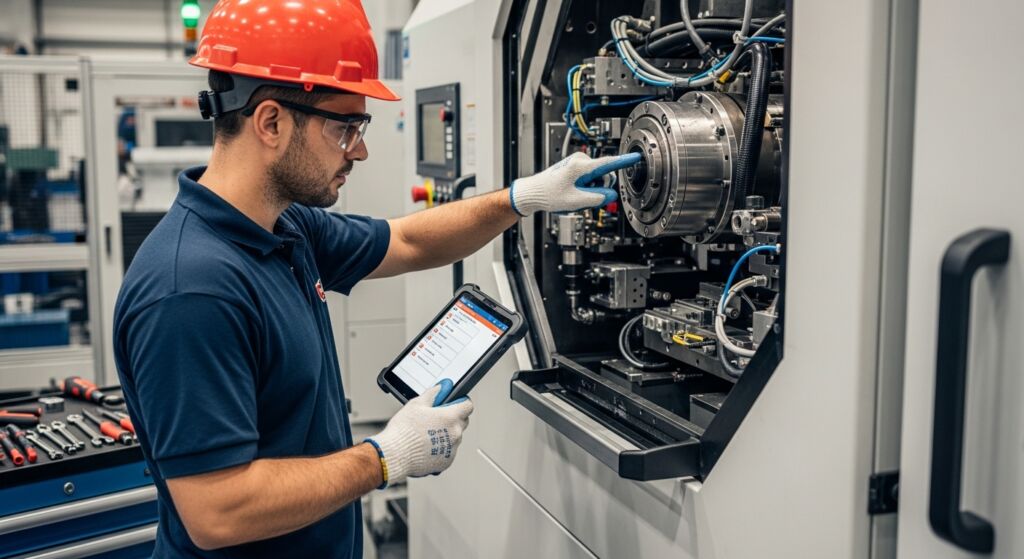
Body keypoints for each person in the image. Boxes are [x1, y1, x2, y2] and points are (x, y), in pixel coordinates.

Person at [112, 1, 640, 557]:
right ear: (271, 122)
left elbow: (408, 240)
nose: (360, 150)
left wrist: (521, 199)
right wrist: (384, 457)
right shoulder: (191, 290)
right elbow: (217, 512)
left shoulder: (286, 226)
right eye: (346, 128)